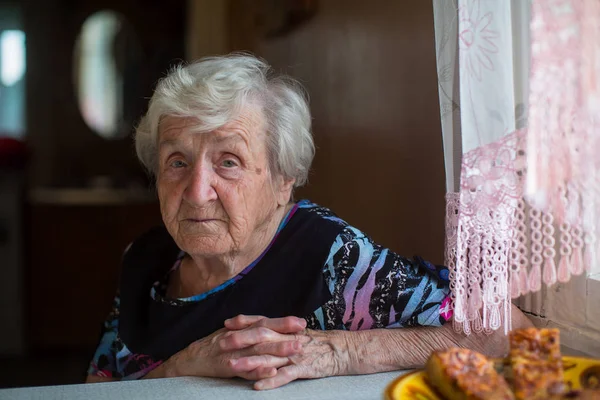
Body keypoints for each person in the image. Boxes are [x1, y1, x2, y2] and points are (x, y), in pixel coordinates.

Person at [86, 53, 532, 390]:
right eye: (177, 162)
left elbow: (507, 332)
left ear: (283, 180)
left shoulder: (330, 258)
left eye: (229, 162)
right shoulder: (146, 258)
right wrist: (183, 367)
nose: (198, 190)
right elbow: (95, 389)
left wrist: (340, 351)